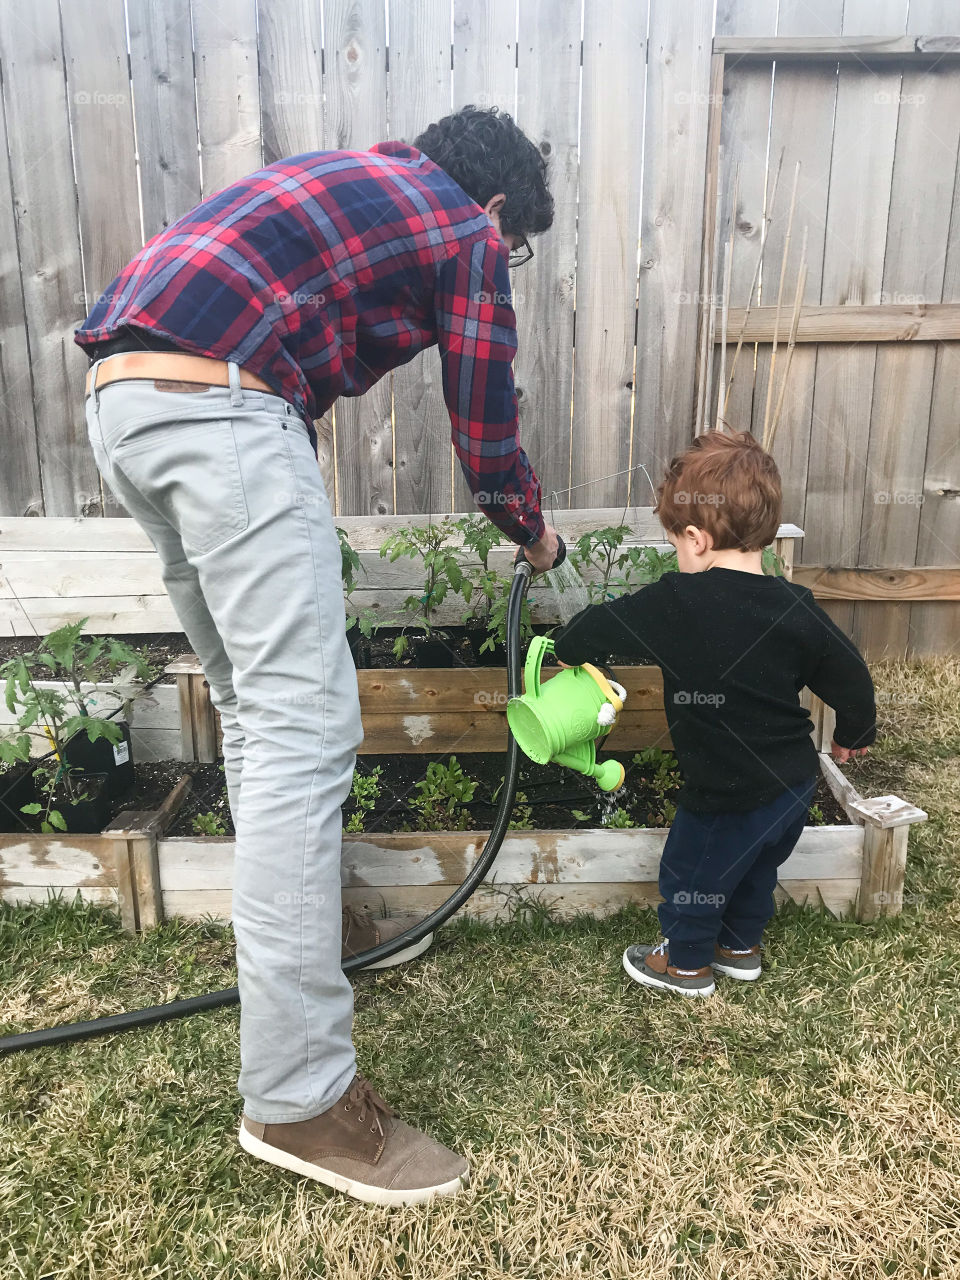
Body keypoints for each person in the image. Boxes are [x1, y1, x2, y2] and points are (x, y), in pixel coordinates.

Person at [75, 106, 560, 1205]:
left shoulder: (347, 177)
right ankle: (301, 1095)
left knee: (254, 712)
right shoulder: (463, 227)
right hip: (224, 408)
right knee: (305, 725)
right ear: (495, 207)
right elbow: (486, 435)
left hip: (124, 404)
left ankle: (313, 928)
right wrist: (531, 526)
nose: (505, 254)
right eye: (514, 238)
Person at [551, 431, 875, 998]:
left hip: (724, 790)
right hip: (793, 783)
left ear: (696, 539)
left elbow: (596, 628)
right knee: (755, 869)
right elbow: (848, 671)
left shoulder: (675, 603)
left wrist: (567, 646)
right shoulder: (794, 604)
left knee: (692, 876)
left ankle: (686, 964)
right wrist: (855, 732)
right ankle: (740, 948)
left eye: (676, 540)